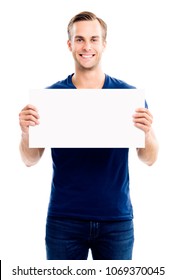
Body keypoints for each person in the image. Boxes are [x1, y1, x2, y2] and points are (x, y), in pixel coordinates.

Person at [19, 11, 159, 260]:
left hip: (116, 221)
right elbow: (30, 160)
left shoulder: (128, 96)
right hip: (64, 221)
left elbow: (149, 159)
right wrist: (26, 133)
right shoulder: (51, 98)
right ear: (70, 44)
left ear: (104, 44)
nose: (87, 46)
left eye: (94, 39)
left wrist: (147, 133)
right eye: (80, 39)